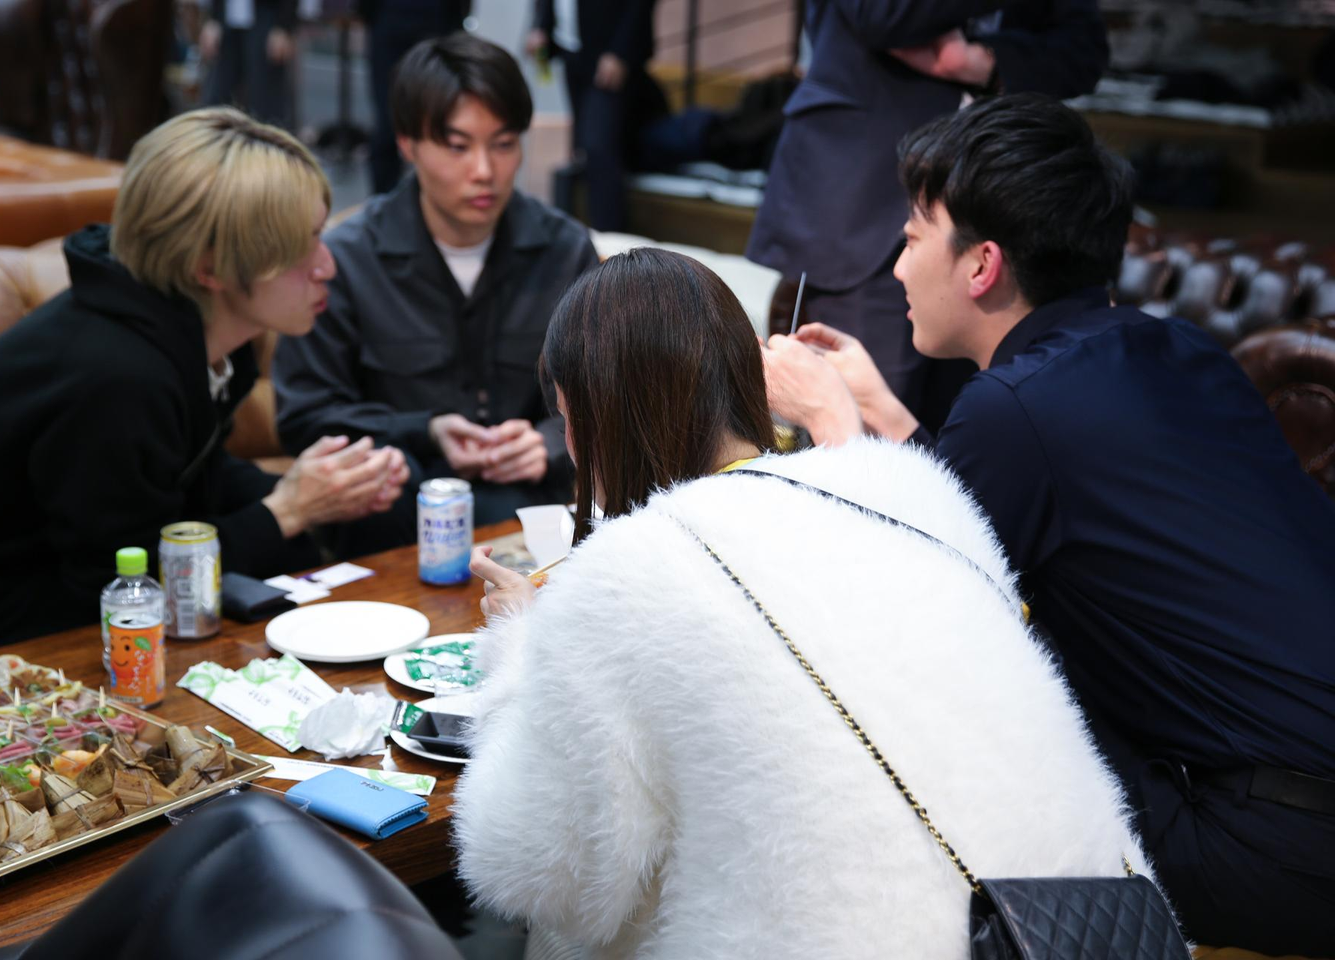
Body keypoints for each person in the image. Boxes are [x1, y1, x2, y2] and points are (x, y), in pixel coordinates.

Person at [454, 249, 1149, 960]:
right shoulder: (914, 487)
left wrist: (519, 648)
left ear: (590, 419)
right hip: (1093, 925)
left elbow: (544, 875)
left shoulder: (630, 566)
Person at [764, 94, 1335, 956]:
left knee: (917, 723)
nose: (896, 267)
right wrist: (879, 409)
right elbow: (983, 507)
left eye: (912, 238)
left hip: (1259, 844)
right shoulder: (1174, 350)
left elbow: (900, 593)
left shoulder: (1015, 407)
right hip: (1302, 813)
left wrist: (829, 421)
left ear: (981, 265)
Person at [0, 108, 408, 669]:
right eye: (305, 244)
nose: (327, 265)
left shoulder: (197, 333)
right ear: (211, 268)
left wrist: (322, 488)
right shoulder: (116, 374)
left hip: (42, 596)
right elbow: (124, 580)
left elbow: (182, 473)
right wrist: (286, 510)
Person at [274, 33, 598, 550]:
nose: (484, 172)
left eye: (503, 144)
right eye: (457, 147)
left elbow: (609, 393)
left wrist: (549, 442)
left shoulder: (565, 250)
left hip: (528, 519)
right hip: (388, 523)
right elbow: (304, 416)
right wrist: (423, 430)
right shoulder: (347, 259)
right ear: (407, 145)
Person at [747, 0, 1108, 432]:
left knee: (978, 422)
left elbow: (1084, 50)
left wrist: (989, 63)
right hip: (866, 196)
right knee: (861, 428)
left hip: (1001, 207)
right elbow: (882, 16)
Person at [526, 0, 666, 232]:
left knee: (598, 148)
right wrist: (541, 25)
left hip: (608, 53)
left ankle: (610, 240)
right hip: (571, 49)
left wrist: (621, 52)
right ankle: (579, 234)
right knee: (582, 150)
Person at [359, 0, 469, 194]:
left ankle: (440, 192)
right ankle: (383, 198)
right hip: (392, 22)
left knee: (441, 118)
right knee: (388, 122)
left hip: (436, 22)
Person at [199, 0, 299, 130]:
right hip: (227, 17)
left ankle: (269, 140)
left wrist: (283, 26)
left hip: (267, 16)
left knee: (266, 103)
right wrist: (214, 17)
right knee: (216, 97)